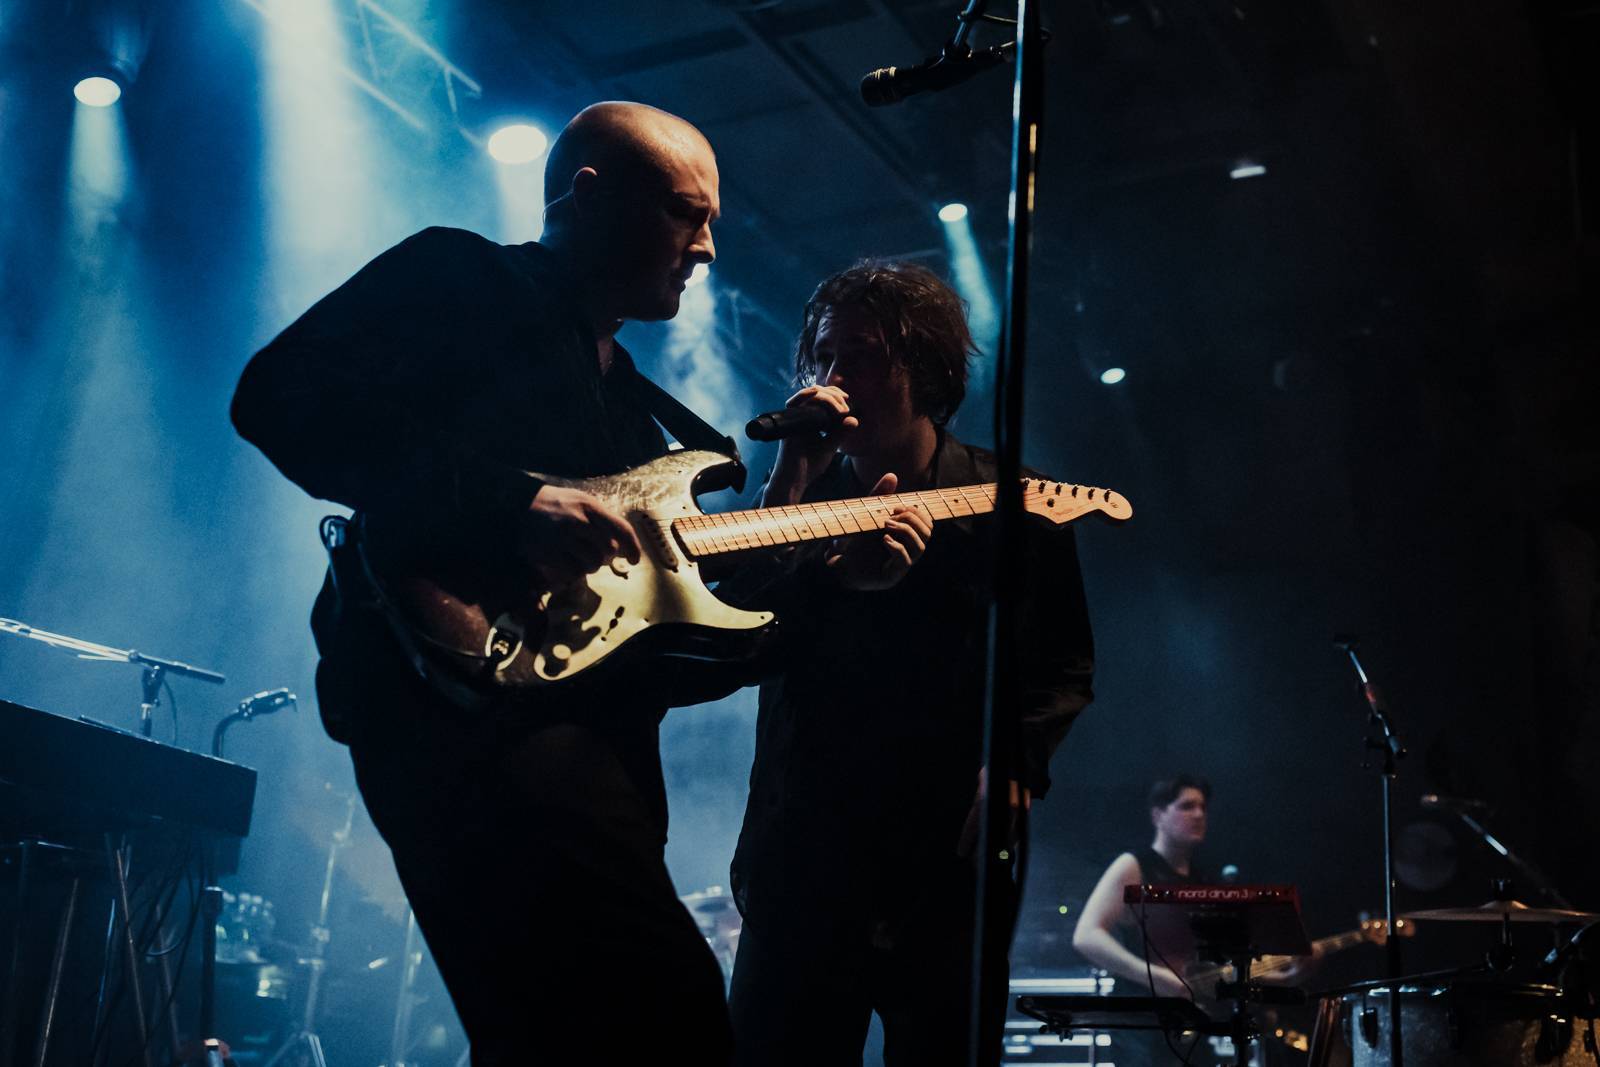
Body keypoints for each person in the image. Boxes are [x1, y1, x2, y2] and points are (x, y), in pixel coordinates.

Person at [231, 102, 734, 1064]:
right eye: (684, 213)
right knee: (669, 1017)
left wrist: (820, 571)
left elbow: (666, 640)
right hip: (459, 709)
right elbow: (276, 395)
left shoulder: (630, 404)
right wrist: (512, 504)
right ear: (589, 194)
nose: (706, 247)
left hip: (587, 739)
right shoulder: (461, 275)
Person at [720, 262, 1097, 1067]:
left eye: (861, 353)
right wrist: (789, 475)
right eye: (824, 356)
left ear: (922, 367)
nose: (835, 378)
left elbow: (1062, 661)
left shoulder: (1011, 498)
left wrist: (1016, 765)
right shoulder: (799, 498)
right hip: (804, 860)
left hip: (943, 861)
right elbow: (736, 621)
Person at [1072, 774, 1214, 999]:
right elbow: (1087, 936)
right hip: (1138, 1016)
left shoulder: (1201, 878)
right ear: (1158, 815)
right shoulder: (1134, 865)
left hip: (1186, 1019)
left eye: (1203, 807)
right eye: (1187, 806)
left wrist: (1267, 973)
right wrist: (1155, 977)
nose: (1199, 814)